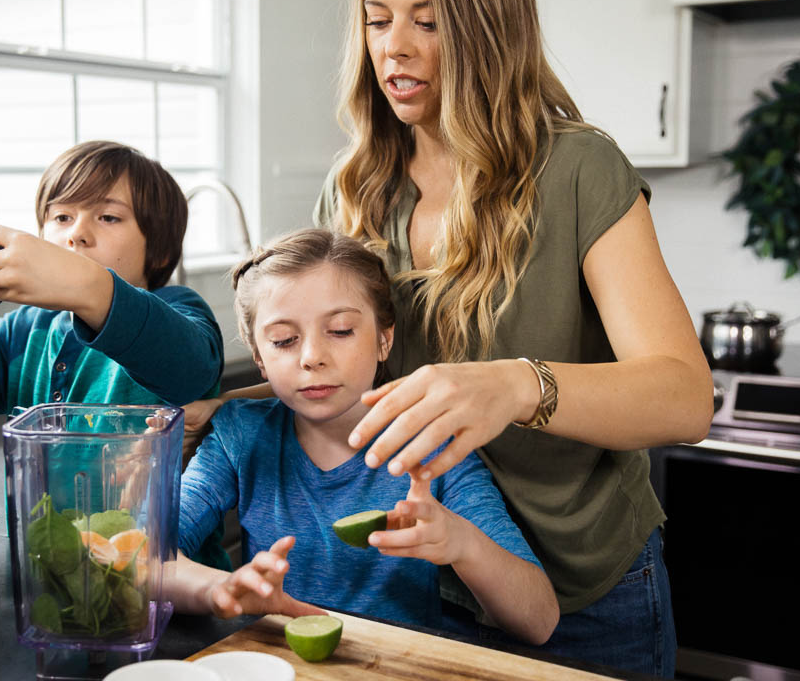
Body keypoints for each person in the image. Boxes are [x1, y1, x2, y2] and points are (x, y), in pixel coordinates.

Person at [306, 0, 714, 677]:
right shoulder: (355, 188)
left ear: (488, 27)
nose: (394, 47)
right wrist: (213, 414)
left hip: (591, 599)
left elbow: (686, 399)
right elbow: (336, 376)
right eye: (378, 20)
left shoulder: (578, 169)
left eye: (428, 22)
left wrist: (517, 386)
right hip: (427, 584)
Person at [170, 229, 559, 645]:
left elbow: (538, 620)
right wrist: (215, 589)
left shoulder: (433, 444)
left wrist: (460, 543)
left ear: (384, 339)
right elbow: (145, 555)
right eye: (284, 340)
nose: (311, 357)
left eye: (339, 330)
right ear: (260, 358)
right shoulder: (239, 435)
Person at [0, 140, 230, 569]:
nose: (77, 232)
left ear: (162, 251)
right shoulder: (26, 330)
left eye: (108, 217)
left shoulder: (179, 311)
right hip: (53, 586)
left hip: (172, 587)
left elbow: (188, 367)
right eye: (61, 217)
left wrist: (91, 287)